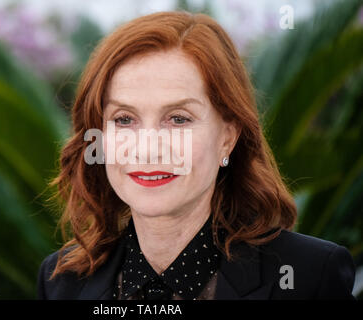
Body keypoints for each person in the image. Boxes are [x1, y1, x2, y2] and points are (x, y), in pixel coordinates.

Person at [36, 11, 356, 300]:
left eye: (178, 119)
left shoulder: (311, 277)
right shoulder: (62, 282)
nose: (148, 148)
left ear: (227, 138)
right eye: (124, 119)